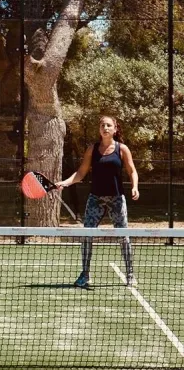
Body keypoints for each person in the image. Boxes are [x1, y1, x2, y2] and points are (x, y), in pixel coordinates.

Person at [56, 115, 139, 289]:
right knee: (87, 235)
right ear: (99, 129)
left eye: (109, 125)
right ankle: (85, 275)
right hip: (95, 199)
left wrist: (134, 187)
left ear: (115, 129)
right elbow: (80, 173)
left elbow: (132, 171)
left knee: (123, 237)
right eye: (102, 125)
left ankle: (130, 274)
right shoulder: (92, 149)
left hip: (117, 199)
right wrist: (65, 182)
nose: (105, 128)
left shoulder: (122, 149)